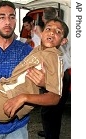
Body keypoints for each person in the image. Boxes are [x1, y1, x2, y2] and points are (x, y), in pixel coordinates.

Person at [37, 7, 71, 139]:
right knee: (55, 111)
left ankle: (51, 135)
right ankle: (50, 133)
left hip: (57, 74)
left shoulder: (49, 35)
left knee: (49, 110)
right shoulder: (62, 30)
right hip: (63, 74)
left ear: (44, 19)